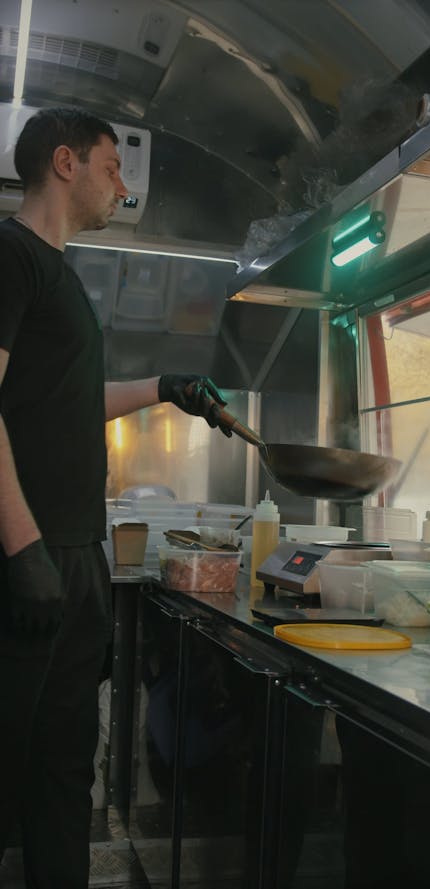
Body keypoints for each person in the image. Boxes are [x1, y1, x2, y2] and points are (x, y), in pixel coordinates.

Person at [0, 106, 230, 888]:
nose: (122, 187)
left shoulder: (60, 275)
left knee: (64, 774)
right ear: (65, 163)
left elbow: (69, 399)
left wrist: (167, 388)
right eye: (113, 167)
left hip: (72, 553)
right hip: (28, 557)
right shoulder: (11, 254)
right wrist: (24, 545)